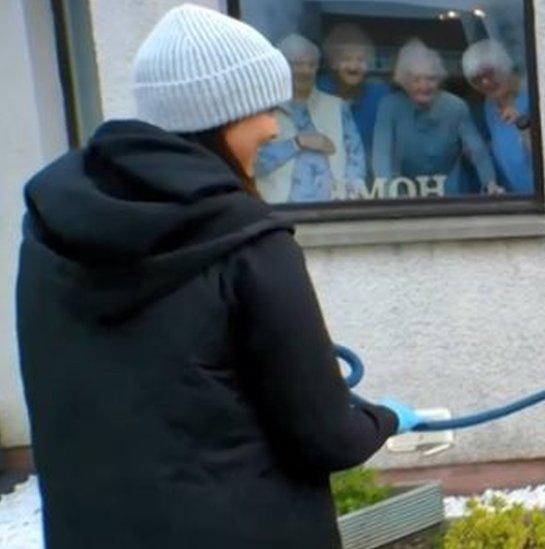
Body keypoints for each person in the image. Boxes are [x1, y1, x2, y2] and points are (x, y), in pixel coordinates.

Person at [16, 5, 420, 548]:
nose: (274, 125)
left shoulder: (48, 233)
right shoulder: (251, 244)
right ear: (222, 111)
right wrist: (387, 419)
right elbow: (327, 437)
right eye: (263, 108)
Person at [372, 38, 502, 196]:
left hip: (448, 194)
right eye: (416, 79)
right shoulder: (389, 106)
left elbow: (477, 151)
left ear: (439, 79)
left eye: (431, 78)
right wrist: (388, 196)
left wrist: (490, 184)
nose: (424, 86)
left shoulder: (456, 106)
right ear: (404, 81)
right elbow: (381, 155)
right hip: (403, 194)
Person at [256, 33, 366, 203]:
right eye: (297, 64)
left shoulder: (337, 106)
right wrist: (297, 143)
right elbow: (254, 164)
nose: (305, 71)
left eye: (311, 65)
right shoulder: (264, 110)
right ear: (282, 67)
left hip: (334, 208)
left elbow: (356, 157)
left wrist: (350, 197)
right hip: (280, 210)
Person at [462, 39, 535, 195]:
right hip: (518, 202)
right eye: (477, 79)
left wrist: (523, 126)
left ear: (505, 67)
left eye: (490, 73)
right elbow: (505, 150)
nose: (485, 82)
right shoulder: (490, 106)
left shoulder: (535, 96)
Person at [317, 23, 390, 159]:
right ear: (333, 62)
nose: (354, 66)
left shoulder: (380, 96)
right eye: (346, 59)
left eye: (361, 59)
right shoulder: (318, 91)